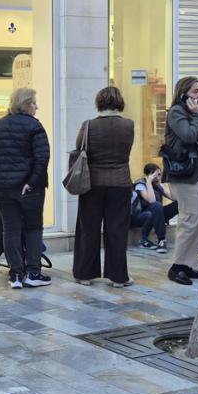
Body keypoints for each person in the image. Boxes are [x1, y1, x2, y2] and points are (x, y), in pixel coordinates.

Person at [0, 87, 50, 290]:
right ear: (25, 104)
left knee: (11, 229)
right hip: (29, 189)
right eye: (34, 102)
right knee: (33, 228)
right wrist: (31, 182)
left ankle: (16, 274)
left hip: (1, 189)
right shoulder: (34, 127)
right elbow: (42, 158)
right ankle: (33, 272)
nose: (37, 106)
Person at [72, 86, 134, 287]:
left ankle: (84, 274)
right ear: (120, 102)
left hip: (92, 183)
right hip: (121, 183)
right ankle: (118, 277)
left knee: (88, 227)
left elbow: (79, 147)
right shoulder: (129, 125)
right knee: (117, 230)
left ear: (99, 102)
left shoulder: (88, 125)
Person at [164, 76, 198, 286]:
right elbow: (188, 136)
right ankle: (177, 267)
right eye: (194, 91)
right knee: (190, 219)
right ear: (183, 93)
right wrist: (197, 116)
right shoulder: (176, 112)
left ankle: (189, 264)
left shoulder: (193, 113)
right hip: (184, 175)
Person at [131, 163, 177, 253]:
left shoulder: (158, 185)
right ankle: (161, 240)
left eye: (159, 175)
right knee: (156, 205)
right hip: (144, 215)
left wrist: (170, 183)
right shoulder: (140, 184)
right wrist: (148, 182)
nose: (158, 177)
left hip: (157, 214)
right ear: (147, 175)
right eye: (155, 175)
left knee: (179, 204)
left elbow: (172, 197)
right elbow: (151, 200)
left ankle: (197, 237)